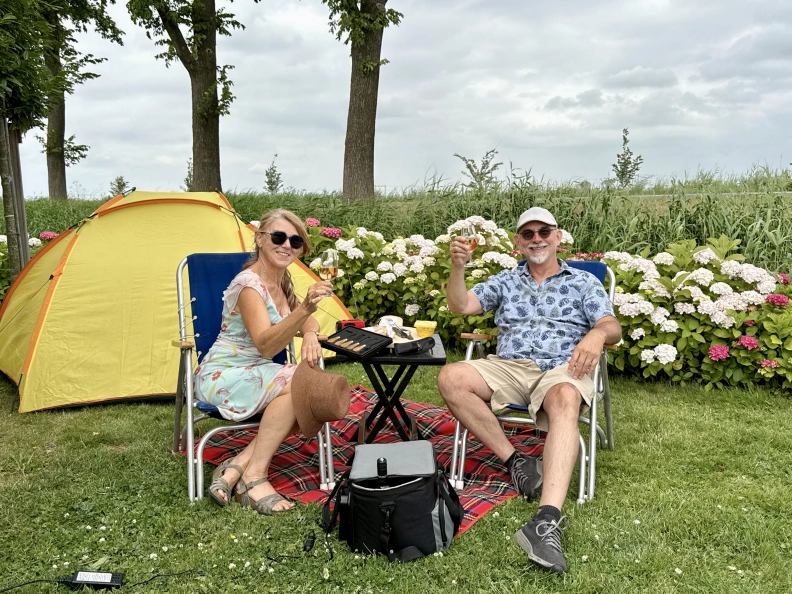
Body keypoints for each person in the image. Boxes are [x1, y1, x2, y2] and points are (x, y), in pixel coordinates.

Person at [437, 207, 621, 574]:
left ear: (558, 237)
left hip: (561, 368)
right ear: (518, 242)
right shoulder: (505, 280)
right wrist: (457, 268)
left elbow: (611, 326)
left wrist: (597, 334)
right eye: (528, 234)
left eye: (544, 232)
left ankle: (546, 521)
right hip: (510, 366)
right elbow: (461, 306)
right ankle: (516, 462)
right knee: (451, 377)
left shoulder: (583, 282)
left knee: (565, 397)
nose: (536, 239)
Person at [194, 209, 333, 515]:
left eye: (295, 241)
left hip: (258, 373)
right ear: (259, 239)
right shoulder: (249, 285)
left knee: (311, 391)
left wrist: (310, 333)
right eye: (279, 237)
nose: (287, 245)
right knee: (308, 387)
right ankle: (255, 477)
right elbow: (267, 345)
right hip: (224, 375)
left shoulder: (282, 282)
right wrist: (305, 309)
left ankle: (237, 467)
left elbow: (305, 321)